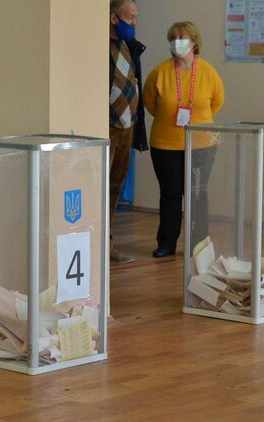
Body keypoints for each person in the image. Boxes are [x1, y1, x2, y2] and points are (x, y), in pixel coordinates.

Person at [142, 21, 224, 258]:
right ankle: (167, 243)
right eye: (173, 37)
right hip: (165, 143)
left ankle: (198, 245)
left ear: (194, 41)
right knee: (170, 194)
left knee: (198, 194)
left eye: (182, 37)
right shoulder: (160, 72)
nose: (176, 41)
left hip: (201, 144)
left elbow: (217, 101)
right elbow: (150, 102)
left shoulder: (208, 72)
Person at [108, 0, 147, 263]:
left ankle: (108, 241)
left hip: (127, 126)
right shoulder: (98, 46)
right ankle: (98, 242)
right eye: (130, 18)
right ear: (114, 18)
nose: (134, 23)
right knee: (100, 187)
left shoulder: (130, 46)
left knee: (116, 184)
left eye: (135, 18)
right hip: (106, 128)